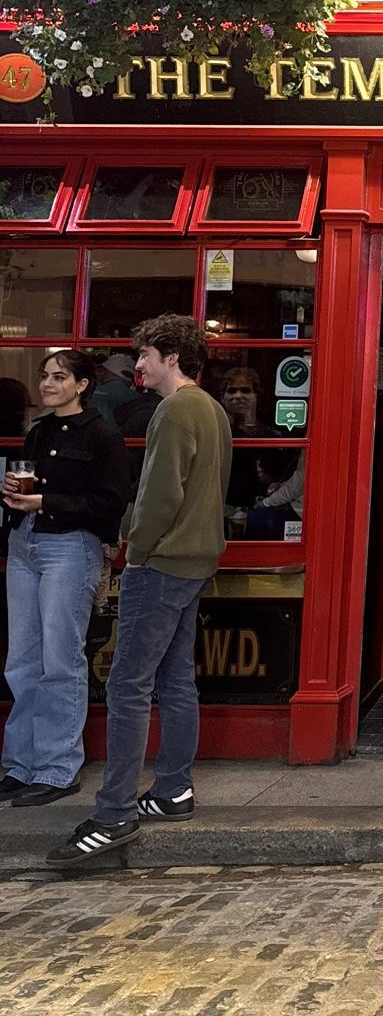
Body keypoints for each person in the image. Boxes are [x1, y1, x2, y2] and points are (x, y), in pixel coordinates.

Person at [46, 314, 232, 866]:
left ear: (171, 356)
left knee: (128, 686)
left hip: (163, 562)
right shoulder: (213, 410)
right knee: (176, 678)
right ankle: (173, 788)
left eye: (145, 355)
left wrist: (134, 551)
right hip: (197, 560)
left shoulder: (174, 410)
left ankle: (113, 813)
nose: (139, 365)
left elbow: (157, 496)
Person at [1, 352, 129, 807]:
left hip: (69, 547)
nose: (48, 383)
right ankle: (19, 764)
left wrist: (46, 502)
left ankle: (57, 768)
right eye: (44, 376)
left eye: (59, 377)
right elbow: (27, 486)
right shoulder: (38, 432)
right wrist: (15, 499)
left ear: (82, 385)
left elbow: (111, 503)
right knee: (21, 659)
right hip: (24, 545)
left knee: (60, 659)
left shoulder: (103, 435)